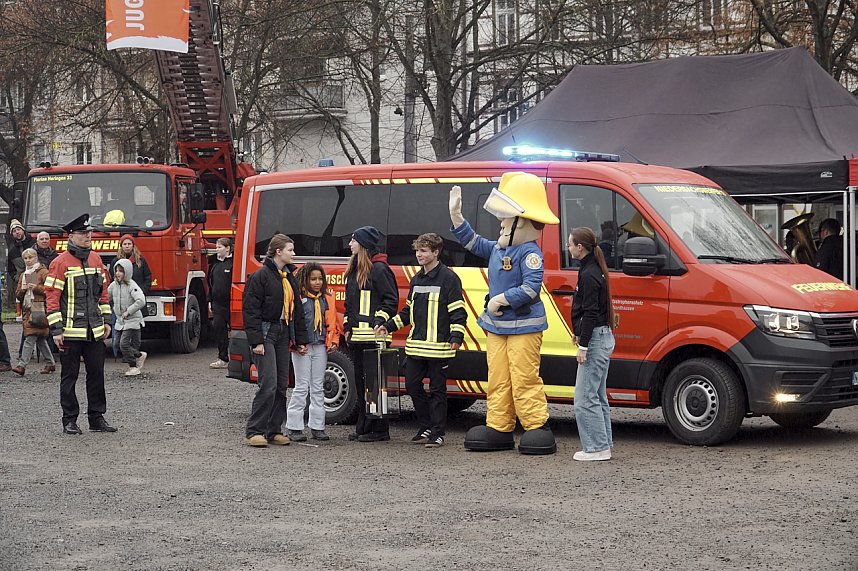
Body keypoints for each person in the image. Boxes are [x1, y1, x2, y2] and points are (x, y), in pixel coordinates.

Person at [376, 233, 467, 449]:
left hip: (439, 348)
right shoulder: (416, 279)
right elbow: (408, 312)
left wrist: (457, 336)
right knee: (412, 385)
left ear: (436, 252)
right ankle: (426, 426)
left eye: (424, 251)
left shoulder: (449, 278)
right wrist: (387, 326)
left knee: (437, 391)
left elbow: (458, 311)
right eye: (417, 251)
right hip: (416, 346)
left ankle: (437, 433)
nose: (419, 255)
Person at [45, 213, 115, 435]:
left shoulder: (95, 259)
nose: (89, 236)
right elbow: (52, 298)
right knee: (70, 377)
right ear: (72, 236)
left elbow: (103, 294)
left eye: (89, 232)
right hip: (69, 332)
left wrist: (106, 321)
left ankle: (97, 418)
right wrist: (56, 330)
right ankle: (69, 420)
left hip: (94, 331)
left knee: (97, 375)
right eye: (84, 233)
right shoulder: (60, 263)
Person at [242, 233, 308, 448]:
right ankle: (254, 431)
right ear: (278, 251)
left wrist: (300, 340)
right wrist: (256, 341)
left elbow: (297, 311)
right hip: (266, 332)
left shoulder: (289, 278)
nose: (294, 253)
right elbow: (250, 311)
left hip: (283, 332)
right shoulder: (260, 276)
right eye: (290, 250)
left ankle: (273, 430)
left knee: (281, 384)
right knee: (268, 384)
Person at [343, 225, 398, 443]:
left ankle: (380, 430)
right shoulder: (356, 269)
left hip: (375, 339)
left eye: (353, 240)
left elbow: (390, 301)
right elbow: (350, 305)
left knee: (375, 386)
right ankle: (364, 428)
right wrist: (347, 327)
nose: (349, 244)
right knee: (361, 385)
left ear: (364, 244)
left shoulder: (380, 270)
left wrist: (380, 320)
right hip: (358, 338)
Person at [568, 227, 616, 461]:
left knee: (585, 398)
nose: (568, 248)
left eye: (570, 244)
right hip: (602, 336)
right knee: (597, 395)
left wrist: (583, 345)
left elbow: (590, 312)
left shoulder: (588, 274)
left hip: (595, 339)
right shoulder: (595, 270)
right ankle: (604, 443)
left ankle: (597, 448)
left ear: (580, 247)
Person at [286, 262, 342, 442]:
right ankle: (294, 427)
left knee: (318, 386)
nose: (317, 282)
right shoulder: (297, 298)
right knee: (301, 386)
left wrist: (333, 341)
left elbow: (333, 322)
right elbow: (292, 322)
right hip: (302, 347)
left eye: (320, 279)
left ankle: (318, 427)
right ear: (305, 279)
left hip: (320, 345)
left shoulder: (326, 298)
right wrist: (295, 344)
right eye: (313, 279)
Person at [12, 248, 55, 376]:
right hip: (27, 309)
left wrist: (36, 288)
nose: (28, 260)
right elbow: (18, 295)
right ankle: (50, 363)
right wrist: (23, 290)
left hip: (39, 308)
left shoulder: (43, 272)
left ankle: (22, 365)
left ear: (36, 258)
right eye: (26, 258)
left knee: (30, 337)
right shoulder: (23, 274)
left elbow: (50, 290)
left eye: (30, 257)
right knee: (40, 338)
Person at [108, 259, 147, 376]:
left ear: (127, 272)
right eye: (116, 270)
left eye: (121, 271)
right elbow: (106, 296)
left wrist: (128, 312)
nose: (118, 273)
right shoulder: (113, 285)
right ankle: (139, 355)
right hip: (121, 321)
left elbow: (141, 301)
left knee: (124, 344)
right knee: (116, 344)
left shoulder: (132, 285)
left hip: (132, 320)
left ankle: (133, 366)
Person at [208, 237, 233, 369]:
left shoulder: (233, 263)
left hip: (232, 302)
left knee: (236, 330)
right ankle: (223, 358)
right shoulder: (214, 264)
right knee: (219, 328)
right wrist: (210, 300)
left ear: (228, 248)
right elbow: (210, 284)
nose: (217, 249)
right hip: (217, 303)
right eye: (216, 247)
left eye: (219, 247)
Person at [7, 219, 36, 286]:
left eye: (18, 229)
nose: (17, 232)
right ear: (12, 234)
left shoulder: (34, 244)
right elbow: (11, 269)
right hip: (21, 284)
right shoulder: (12, 252)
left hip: (37, 282)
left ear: (23, 230)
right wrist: (17, 278)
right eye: (14, 231)